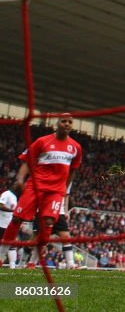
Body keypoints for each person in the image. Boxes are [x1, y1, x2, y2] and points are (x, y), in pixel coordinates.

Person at [1, 114, 82, 269]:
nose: (66, 124)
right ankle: (1, 255)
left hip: (55, 191)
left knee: (48, 223)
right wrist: (20, 179)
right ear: (56, 124)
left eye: (70, 122)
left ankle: (33, 261)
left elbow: (73, 170)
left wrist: (64, 187)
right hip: (35, 187)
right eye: (63, 121)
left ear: (72, 126)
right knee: (17, 219)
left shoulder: (76, 147)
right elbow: (27, 161)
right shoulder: (42, 141)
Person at [22, 195, 76, 269]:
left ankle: (71, 265)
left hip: (59, 211)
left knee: (66, 237)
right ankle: (25, 262)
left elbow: (66, 194)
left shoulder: (65, 183)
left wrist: (65, 211)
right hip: (44, 208)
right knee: (36, 240)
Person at [0, 184, 17, 267]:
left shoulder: (15, 197)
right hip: (1, 224)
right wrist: (12, 210)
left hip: (9, 224)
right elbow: (0, 205)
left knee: (11, 244)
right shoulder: (6, 194)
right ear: (14, 186)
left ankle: (12, 266)